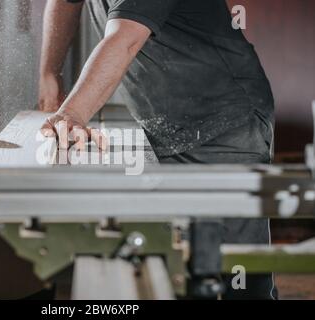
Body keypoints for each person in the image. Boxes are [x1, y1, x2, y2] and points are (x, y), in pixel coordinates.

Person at [38, 0, 276, 299]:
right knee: (184, 268)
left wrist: (72, 114)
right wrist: (49, 73)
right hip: (167, 121)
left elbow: (124, 39)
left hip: (224, 121)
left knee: (235, 275)